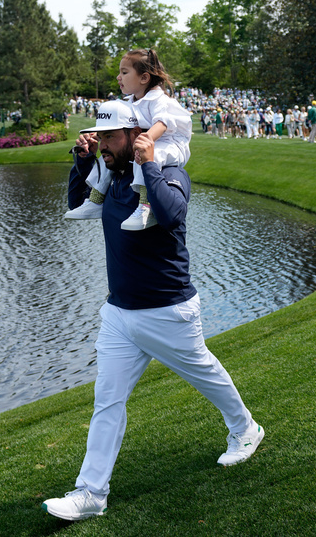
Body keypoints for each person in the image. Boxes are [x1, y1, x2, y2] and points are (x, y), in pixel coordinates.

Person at [44, 100, 263, 521]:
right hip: (119, 315)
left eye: (110, 136)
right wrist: (82, 159)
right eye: (100, 136)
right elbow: (76, 202)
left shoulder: (168, 172)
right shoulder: (112, 177)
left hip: (168, 310)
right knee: (107, 401)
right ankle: (91, 493)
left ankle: (246, 429)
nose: (103, 143)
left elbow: (172, 213)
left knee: (208, 376)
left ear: (134, 134)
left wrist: (149, 164)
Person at [65, 48, 192, 231]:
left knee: (147, 156)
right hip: (150, 142)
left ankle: (145, 206)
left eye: (124, 72)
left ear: (144, 78)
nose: (118, 77)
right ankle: (95, 199)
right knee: (107, 157)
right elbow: (122, 124)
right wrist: (93, 143)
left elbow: (163, 123)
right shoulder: (131, 100)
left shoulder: (160, 99)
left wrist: (146, 141)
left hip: (170, 144)